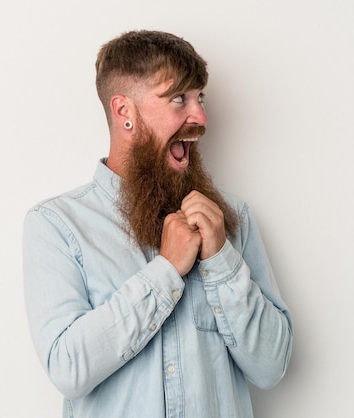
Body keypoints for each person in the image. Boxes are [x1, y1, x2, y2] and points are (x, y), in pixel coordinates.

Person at [23, 30, 293, 418]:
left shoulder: (231, 219)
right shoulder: (57, 225)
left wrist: (221, 262)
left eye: (201, 98)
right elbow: (69, 368)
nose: (200, 117)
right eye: (178, 99)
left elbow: (271, 367)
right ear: (124, 112)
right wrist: (165, 271)